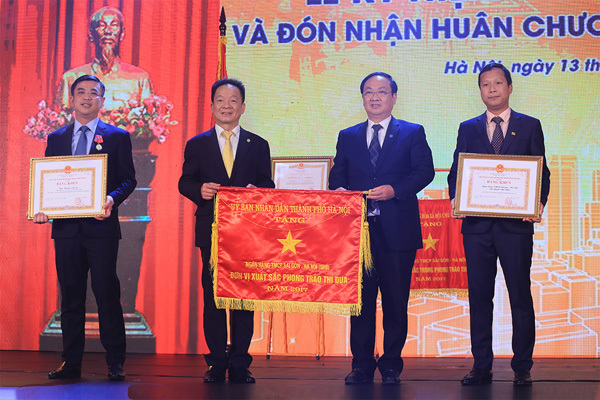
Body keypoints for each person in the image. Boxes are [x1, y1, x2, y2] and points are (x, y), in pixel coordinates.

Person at [447, 62, 550, 387]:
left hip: (515, 228)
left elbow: (541, 171)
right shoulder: (468, 128)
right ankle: (481, 366)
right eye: (485, 84)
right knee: (480, 298)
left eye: (497, 83)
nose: (491, 89)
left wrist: (537, 202)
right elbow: (456, 171)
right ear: (480, 90)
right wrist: (456, 198)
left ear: (509, 87)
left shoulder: (529, 126)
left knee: (520, 295)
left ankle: (522, 366)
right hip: (477, 228)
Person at [329, 72, 435, 384]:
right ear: (362, 97)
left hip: (398, 232)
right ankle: (361, 365)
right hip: (358, 234)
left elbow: (424, 172)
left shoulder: (412, 132)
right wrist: (338, 191)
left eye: (382, 92)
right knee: (360, 304)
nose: (375, 97)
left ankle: (391, 365)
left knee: (395, 303)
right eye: (369, 92)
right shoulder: (348, 136)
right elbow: (338, 175)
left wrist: (395, 190)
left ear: (393, 97)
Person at [33, 75, 136, 380]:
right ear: (71, 99)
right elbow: (48, 181)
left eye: (93, 93)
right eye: (81, 92)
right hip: (66, 231)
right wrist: (43, 208)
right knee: (71, 297)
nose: (87, 97)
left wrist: (111, 199)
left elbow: (128, 179)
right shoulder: (56, 138)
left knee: (106, 294)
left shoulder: (117, 136)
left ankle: (115, 362)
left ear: (102, 100)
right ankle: (70, 363)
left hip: (101, 228)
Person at [178, 78, 274, 384]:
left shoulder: (258, 145)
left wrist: (257, 190)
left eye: (233, 100)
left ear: (243, 107)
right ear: (211, 106)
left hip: (248, 233)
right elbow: (185, 182)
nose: (226, 106)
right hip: (212, 231)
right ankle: (217, 362)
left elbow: (268, 184)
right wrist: (200, 190)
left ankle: (240, 363)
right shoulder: (197, 144)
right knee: (214, 298)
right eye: (220, 100)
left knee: (244, 298)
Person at [55, 6, 153, 111]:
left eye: (114, 25)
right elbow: (61, 118)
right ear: (91, 33)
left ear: (122, 34)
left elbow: (149, 118)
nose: (108, 31)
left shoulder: (139, 79)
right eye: (101, 25)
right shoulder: (71, 78)